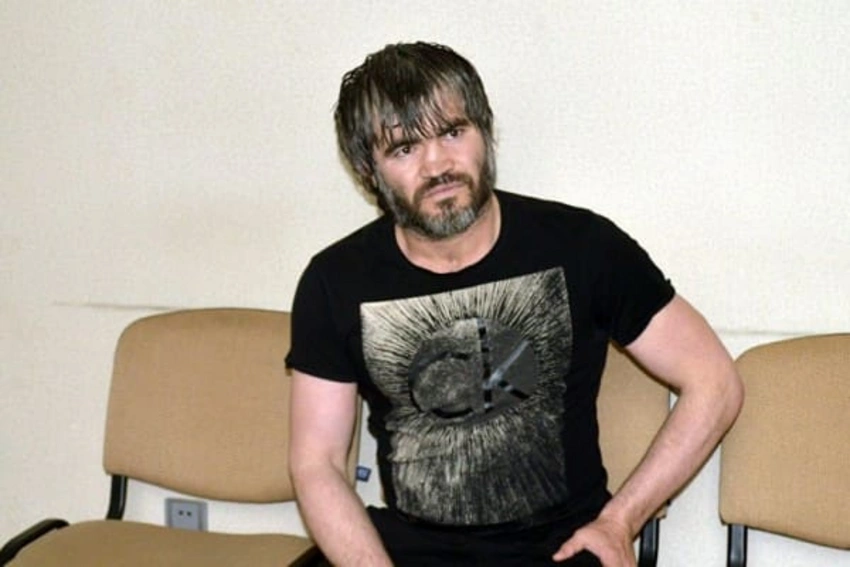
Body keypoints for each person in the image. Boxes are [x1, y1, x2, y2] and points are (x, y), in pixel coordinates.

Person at [286, 41, 744, 567]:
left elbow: (715, 382)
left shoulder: (583, 247)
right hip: (405, 551)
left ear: (485, 133)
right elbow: (317, 462)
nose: (438, 165)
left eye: (452, 132)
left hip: (560, 551)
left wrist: (620, 522)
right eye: (404, 148)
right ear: (369, 170)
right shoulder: (334, 282)